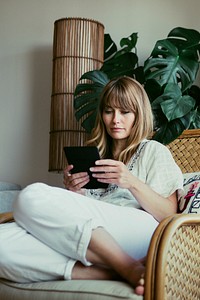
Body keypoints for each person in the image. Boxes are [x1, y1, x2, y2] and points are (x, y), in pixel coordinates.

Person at [0, 77, 183, 296]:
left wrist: (131, 182)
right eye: (109, 111)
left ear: (138, 115)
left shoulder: (153, 150)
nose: (116, 119)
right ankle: (112, 271)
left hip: (138, 229)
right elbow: (87, 215)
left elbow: (169, 213)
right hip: (97, 236)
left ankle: (128, 266)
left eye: (125, 112)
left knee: (31, 195)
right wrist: (75, 194)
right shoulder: (95, 157)